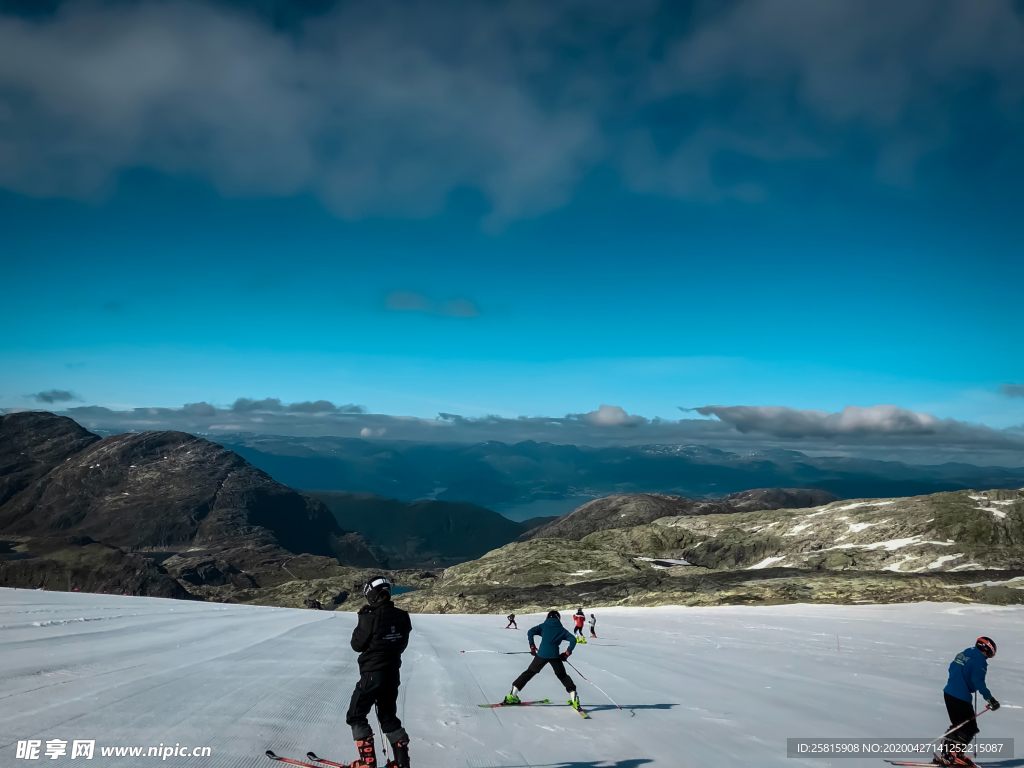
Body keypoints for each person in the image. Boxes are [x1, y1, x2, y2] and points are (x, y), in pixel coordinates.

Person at [347, 577, 414, 768]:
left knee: (356, 715)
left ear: (371, 594)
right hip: (392, 674)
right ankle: (402, 762)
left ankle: (367, 762)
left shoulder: (369, 617)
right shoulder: (403, 616)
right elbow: (401, 643)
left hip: (371, 674)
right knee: (388, 717)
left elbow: (356, 645)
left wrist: (362, 620)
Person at [935, 637, 1000, 767]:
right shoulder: (979, 661)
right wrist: (990, 699)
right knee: (969, 728)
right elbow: (978, 682)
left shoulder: (964, 653)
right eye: (989, 655)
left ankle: (948, 754)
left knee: (959, 726)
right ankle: (954, 756)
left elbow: (951, 668)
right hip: (960, 697)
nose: (987, 658)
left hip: (948, 693)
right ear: (986, 649)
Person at [504, 610, 581, 710]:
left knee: (529, 673)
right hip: (554, 656)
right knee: (562, 676)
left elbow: (530, 632)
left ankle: (512, 695)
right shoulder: (561, 629)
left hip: (541, 655)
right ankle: (573, 697)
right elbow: (573, 640)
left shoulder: (543, 626)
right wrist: (567, 653)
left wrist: (532, 646)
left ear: (547, 617)